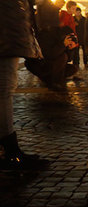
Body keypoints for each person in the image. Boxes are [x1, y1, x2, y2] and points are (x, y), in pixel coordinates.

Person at [1, 0, 48, 169]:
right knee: (4, 88)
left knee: (5, 88)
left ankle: (9, 149)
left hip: (9, 36)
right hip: (7, 37)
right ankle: (10, 152)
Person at [27, 0, 78, 91]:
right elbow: (50, 54)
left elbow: (69, 59)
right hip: (44, 63)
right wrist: (63, 44)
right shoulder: (45, 35)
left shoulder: (59, 33)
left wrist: (71, 48)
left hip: (52, 62)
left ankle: (51, 78)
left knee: (71, 66)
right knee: (62, 57)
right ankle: (53, 81)